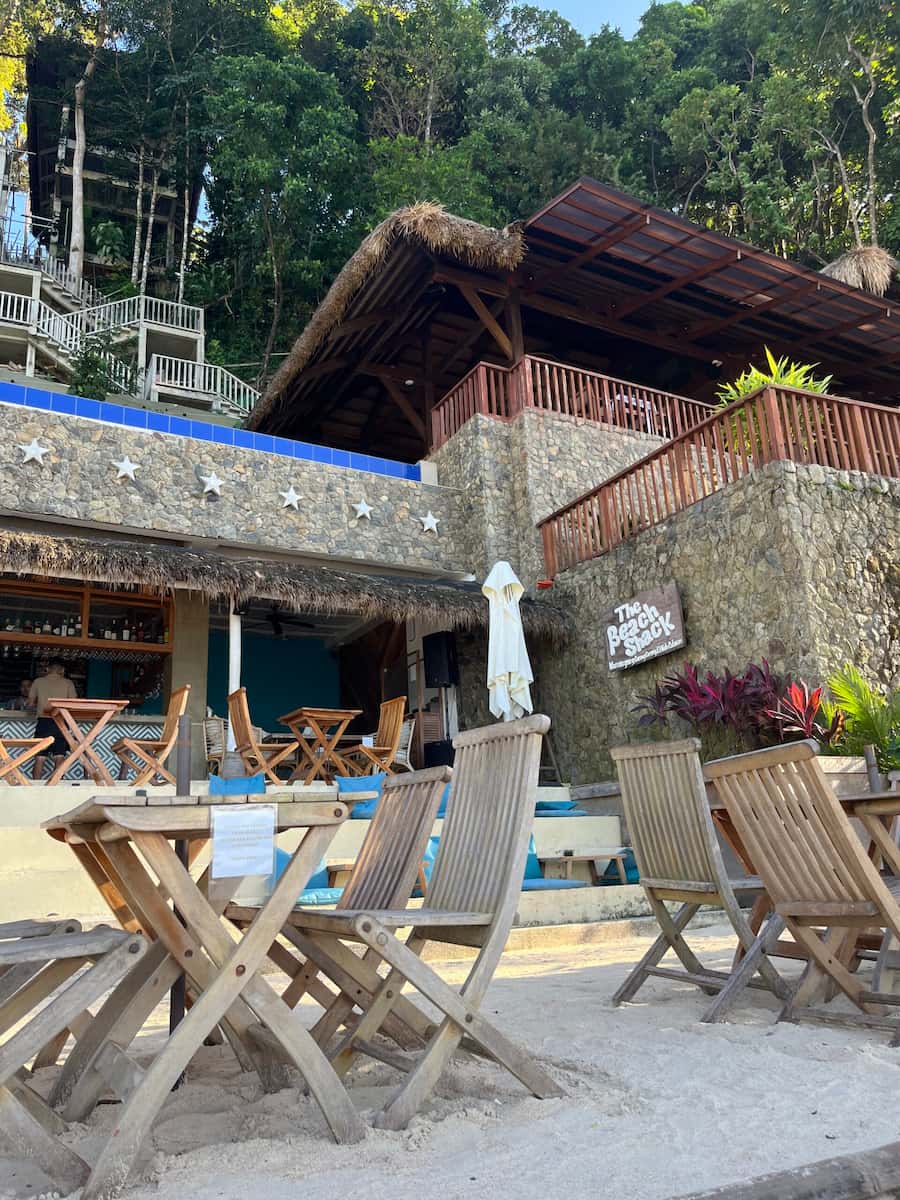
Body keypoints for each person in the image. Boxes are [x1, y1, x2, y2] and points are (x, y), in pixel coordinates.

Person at [30, 660, 77, 782]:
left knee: (40, 756)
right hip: (61, 722)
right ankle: (56, 784)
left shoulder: (38, 681)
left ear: (47, 669)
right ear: (62, 670)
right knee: (59, 755)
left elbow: (30, 703)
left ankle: (35, 786)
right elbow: (73, 704)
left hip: (44, 722)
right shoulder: (68, 683)